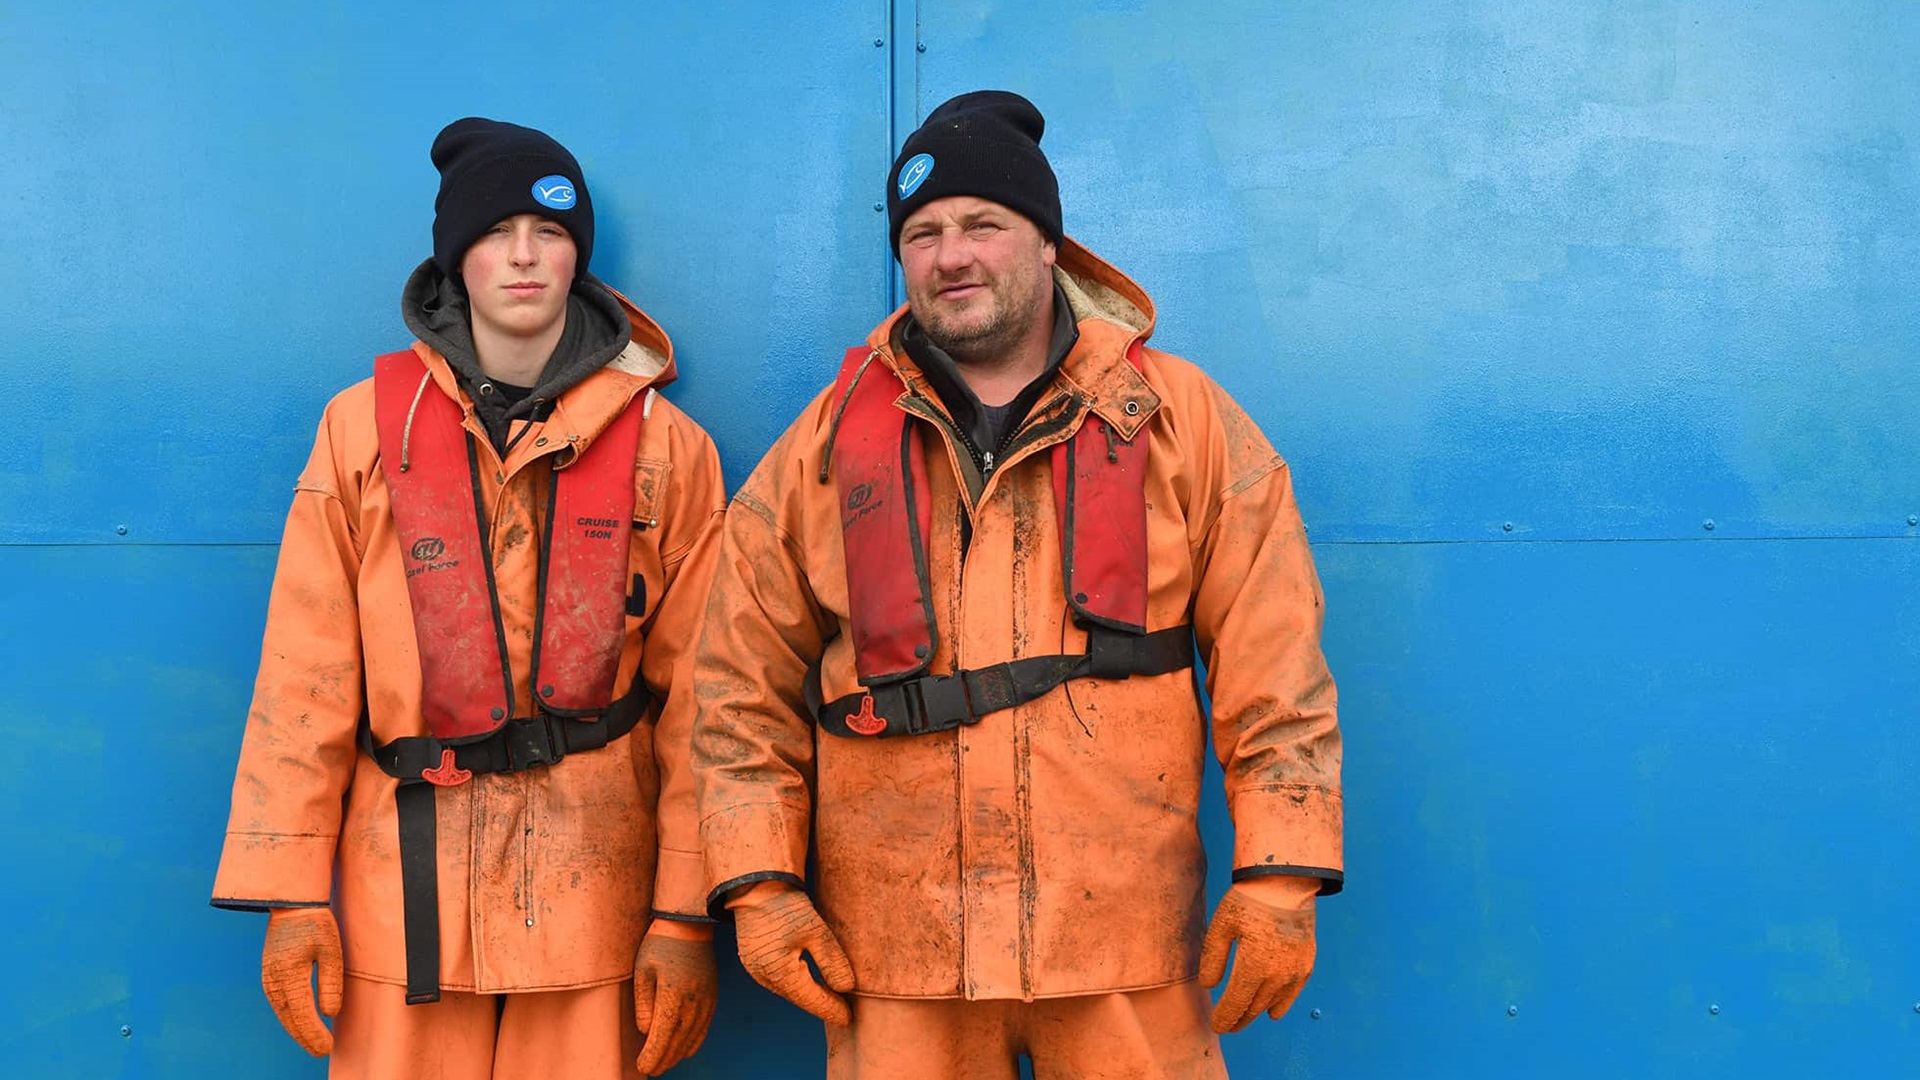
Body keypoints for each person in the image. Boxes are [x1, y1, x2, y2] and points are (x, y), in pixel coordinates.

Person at [692, 90, 1344, 1078]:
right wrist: (760, 886)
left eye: (983, 225)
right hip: (897, 957)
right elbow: (737, 692)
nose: (952, 255)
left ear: (1048, 245)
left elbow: (1276, 667)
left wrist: (1282, 872)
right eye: (923, 234)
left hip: (1123, 946)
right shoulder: (819, 451)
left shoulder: (1187, 425)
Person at [212, 117, 724, 1079]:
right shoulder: (361, 428)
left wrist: (683, 913)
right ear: (455, 257)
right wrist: (291, 894)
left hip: (593, 898)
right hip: (399, 903)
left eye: (552, 232)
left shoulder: (671, 447)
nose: (524, 256)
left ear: (581, 257)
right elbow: (304, 669)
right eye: (495, 232)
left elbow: (707, 703)